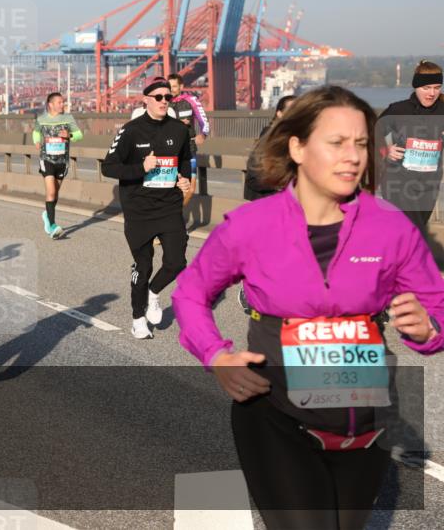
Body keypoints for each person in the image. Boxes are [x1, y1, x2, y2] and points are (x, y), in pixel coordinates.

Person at [172, 85, 444, 529]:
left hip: (368, 421)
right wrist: (216, 355)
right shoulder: (251, 226)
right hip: (275, 414)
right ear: (297, 148)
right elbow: (190, 294)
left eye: (361, 144)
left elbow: (438, 309)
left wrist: (428, 330)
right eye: (336, 143)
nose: (353, 157)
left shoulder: (391, 227)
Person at [101, 76, 193, 339]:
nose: (165, 101)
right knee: (143, 267)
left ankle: (153, 293)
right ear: (146, 101)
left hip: (168, 206)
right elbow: (108, 167)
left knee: (177, 262)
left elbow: (184, 160)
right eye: (159, 97)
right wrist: (140, 168)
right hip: (139, 209)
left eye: (168, 97)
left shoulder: (179, 130)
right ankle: (137, 318)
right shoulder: (131, 131)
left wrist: (184, 179)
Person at [377, 60, 444, 236]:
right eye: (426, 88)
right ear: (416, 86)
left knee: (416, 233)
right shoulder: (398, 110)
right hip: (398, 182)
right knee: (409, 230)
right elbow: (371, 132)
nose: (432, 93)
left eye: (437, 88)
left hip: (429, 185)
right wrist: (386, 150)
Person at [32, 92, 83, 238]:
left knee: (55, 194)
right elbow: (36, 132)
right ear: (51, 104)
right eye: (59, 102)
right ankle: (52, 226)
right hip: (47, 159)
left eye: (63, 102)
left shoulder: (68, 118)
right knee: (51, 192)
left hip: (62, 162)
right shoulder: (42, 119)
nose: (62, 105)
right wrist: (36, 141)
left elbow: (79, 135)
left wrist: (69, 135)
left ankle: (47, 215)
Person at [244, 95, 297, 201]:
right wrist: (279, 185)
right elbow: (254, 176)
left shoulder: (297, 136)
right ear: (279, 114)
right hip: (269, 198)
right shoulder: (269, 137)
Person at [168, 73, 210, 202]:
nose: (171, 89)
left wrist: (203, 134)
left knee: (190, 189)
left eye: (174, 86)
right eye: (169, 86)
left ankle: (177, 211)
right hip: (170, 151)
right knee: (171, 187)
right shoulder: (164, 102)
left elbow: (204, 119)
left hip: (189, 148)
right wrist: (178, 123)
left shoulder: (191, 100)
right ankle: (174, 212)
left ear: (181, 86)